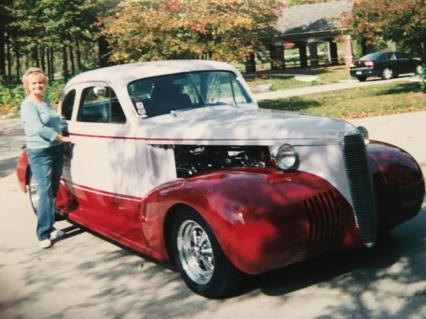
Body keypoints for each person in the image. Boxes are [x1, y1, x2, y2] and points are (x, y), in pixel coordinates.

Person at [20, 67, 71, 249]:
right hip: (40, 152)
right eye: (34, 83)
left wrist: (65, 129)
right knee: (45, 192)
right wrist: (60, 137)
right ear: (28, 86)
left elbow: (54, 121)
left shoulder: (44, 101)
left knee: (52, 190)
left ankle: (50, 227)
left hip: (55, 150)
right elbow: (38, 128)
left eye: (41, 82)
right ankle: (43, 234)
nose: (38, 86)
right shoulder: (28, 105)